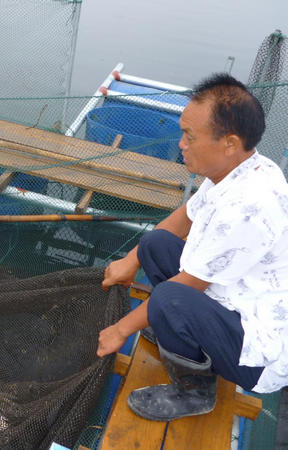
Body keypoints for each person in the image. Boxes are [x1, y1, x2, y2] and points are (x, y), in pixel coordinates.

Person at [97, 73, 288, 422]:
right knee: (153, 244)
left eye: (189, 136)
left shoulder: (248, 205)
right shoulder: (237, 168)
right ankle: (180, 333)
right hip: (228, 297)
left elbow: (186, 287)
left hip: (256, 351)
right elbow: (186, 214)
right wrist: (130, 259)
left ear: (229, 143)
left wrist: (120, 329)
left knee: (170, 299)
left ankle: (194, 391)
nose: (181, 143)